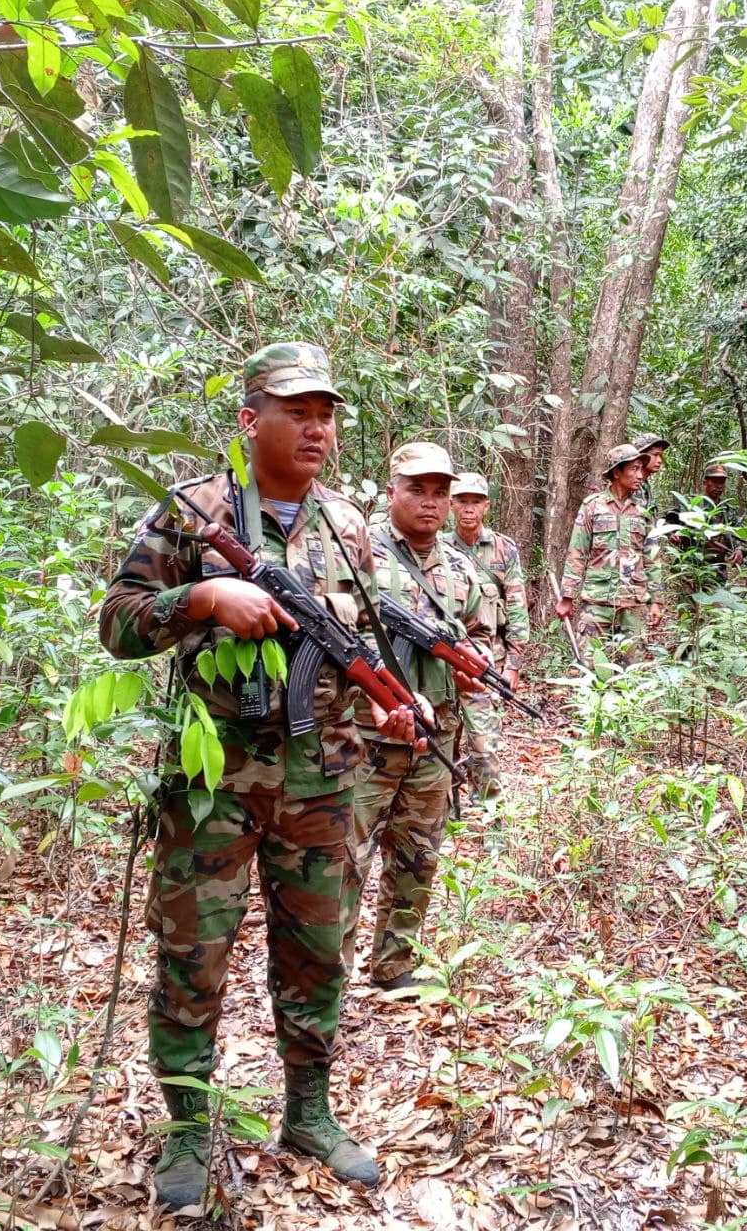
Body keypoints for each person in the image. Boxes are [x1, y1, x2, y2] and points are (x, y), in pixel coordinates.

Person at [100, 341, 416, 1205]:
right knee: (191, 955)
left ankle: (309, 1113)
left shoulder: (347, 523)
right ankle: (184, 1130)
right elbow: (118, 622)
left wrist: (394, 704)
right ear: (250, 419)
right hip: (213, 787)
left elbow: (364, 638)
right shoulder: (193, 511)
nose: (316, 430)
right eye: (297, 412)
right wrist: (203, 598)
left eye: (326, 416)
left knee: (317, 954)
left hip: (324, 779)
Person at [344, 443, 492, 996]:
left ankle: (395, 966)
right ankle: (327, 981)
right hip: (365, 736)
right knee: (344, 861)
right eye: (417, 490)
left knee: (418, 857)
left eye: (440, 492)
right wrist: (378, 686)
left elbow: (480, 633)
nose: (430, 502)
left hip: (436, 737)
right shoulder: (358, 556)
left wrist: (477, 664)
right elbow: (334, 635)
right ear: (392, 493)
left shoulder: (460, 567)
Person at [445, 471, 530, 812]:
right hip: (444, 663)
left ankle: (490, 814)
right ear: (451, 505)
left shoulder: (503, 548)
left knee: (483, 744)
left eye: (475, 502)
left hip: (487, 664)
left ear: (487, 506)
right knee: (444, 742)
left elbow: (517, 606)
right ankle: (448, 813)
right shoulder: (437, 546)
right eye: (462, 501)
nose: (469, 508)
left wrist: (514, 664)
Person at [554, 443, 661, 663]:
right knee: (590, 666)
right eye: (633, 469)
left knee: (632, 670)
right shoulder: (592, 506)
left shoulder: (644, 511)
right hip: (597, 602)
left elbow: (652, 557)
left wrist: (656, 601)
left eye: (641, 469)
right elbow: (577, 552)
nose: (640, 475)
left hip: (634, 602)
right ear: (617, 472)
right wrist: (567, 597)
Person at [633, 433, 670, 517]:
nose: (660, 460)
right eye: (655, 455)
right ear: (642, 455)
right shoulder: (630, 485)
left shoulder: (645, 485)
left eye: (661, 455)